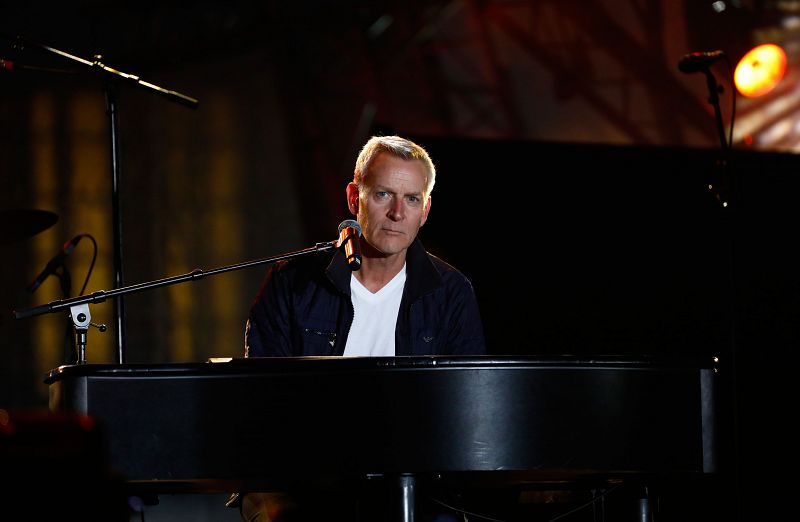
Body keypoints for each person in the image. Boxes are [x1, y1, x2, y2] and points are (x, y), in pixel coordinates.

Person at [236, 134, 486, 521]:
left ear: (426, 209)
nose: (397, 213)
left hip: (413, 479)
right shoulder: (292, 282)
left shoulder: (451, 292)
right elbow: (258, 400)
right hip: (304, 477)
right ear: (355, 198)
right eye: (384, 194)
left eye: (412, 199)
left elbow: (468, 410)